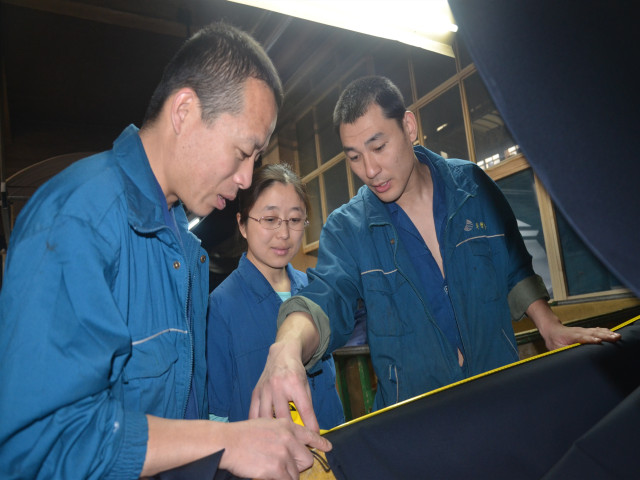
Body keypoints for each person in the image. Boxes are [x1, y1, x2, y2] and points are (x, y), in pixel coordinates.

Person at [0, 22, 329, 480]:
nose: (245, 179)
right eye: (242, 152)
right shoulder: (78, 218)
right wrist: (228, 440)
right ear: (184, 112)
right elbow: (43, 442)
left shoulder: (184, 250)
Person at [249, 75, 621, 432]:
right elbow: (325, 299)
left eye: (378, 147)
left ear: (409, 127)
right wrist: (288, 345)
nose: (370, 170)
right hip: (417, 428)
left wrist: (549, 326)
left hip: (503, 402)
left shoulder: (473, 187)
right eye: (354, 157)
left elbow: (512, 265)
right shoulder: (348, 229)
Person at [207, 163, 344, 430]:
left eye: (295, 220)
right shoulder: (220, 308)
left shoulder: (316, 291)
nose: (284, 234)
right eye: (270, 220)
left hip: (330, 446)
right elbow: (217, 417)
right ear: (243, 224)